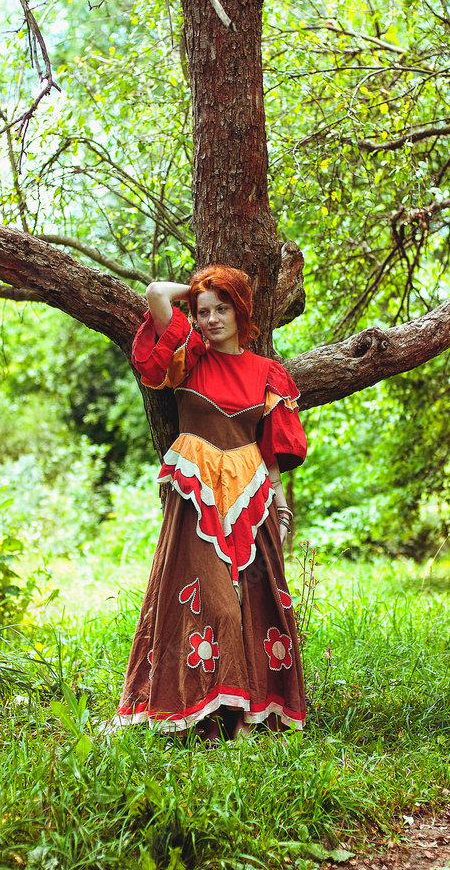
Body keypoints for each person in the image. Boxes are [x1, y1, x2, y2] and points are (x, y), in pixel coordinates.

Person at [114, 265, 307, 740]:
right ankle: (196, 709)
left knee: (257, 606)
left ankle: (245, 715)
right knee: (212, 605)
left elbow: (272, 452)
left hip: (251, 496)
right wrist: (199, 286)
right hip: (196, 497)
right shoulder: (187, 359)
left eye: (224, 308)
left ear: (242, 312)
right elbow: (157, 292)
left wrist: (281, 510)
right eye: (204, 311)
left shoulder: (268, 374)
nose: (213, 319)